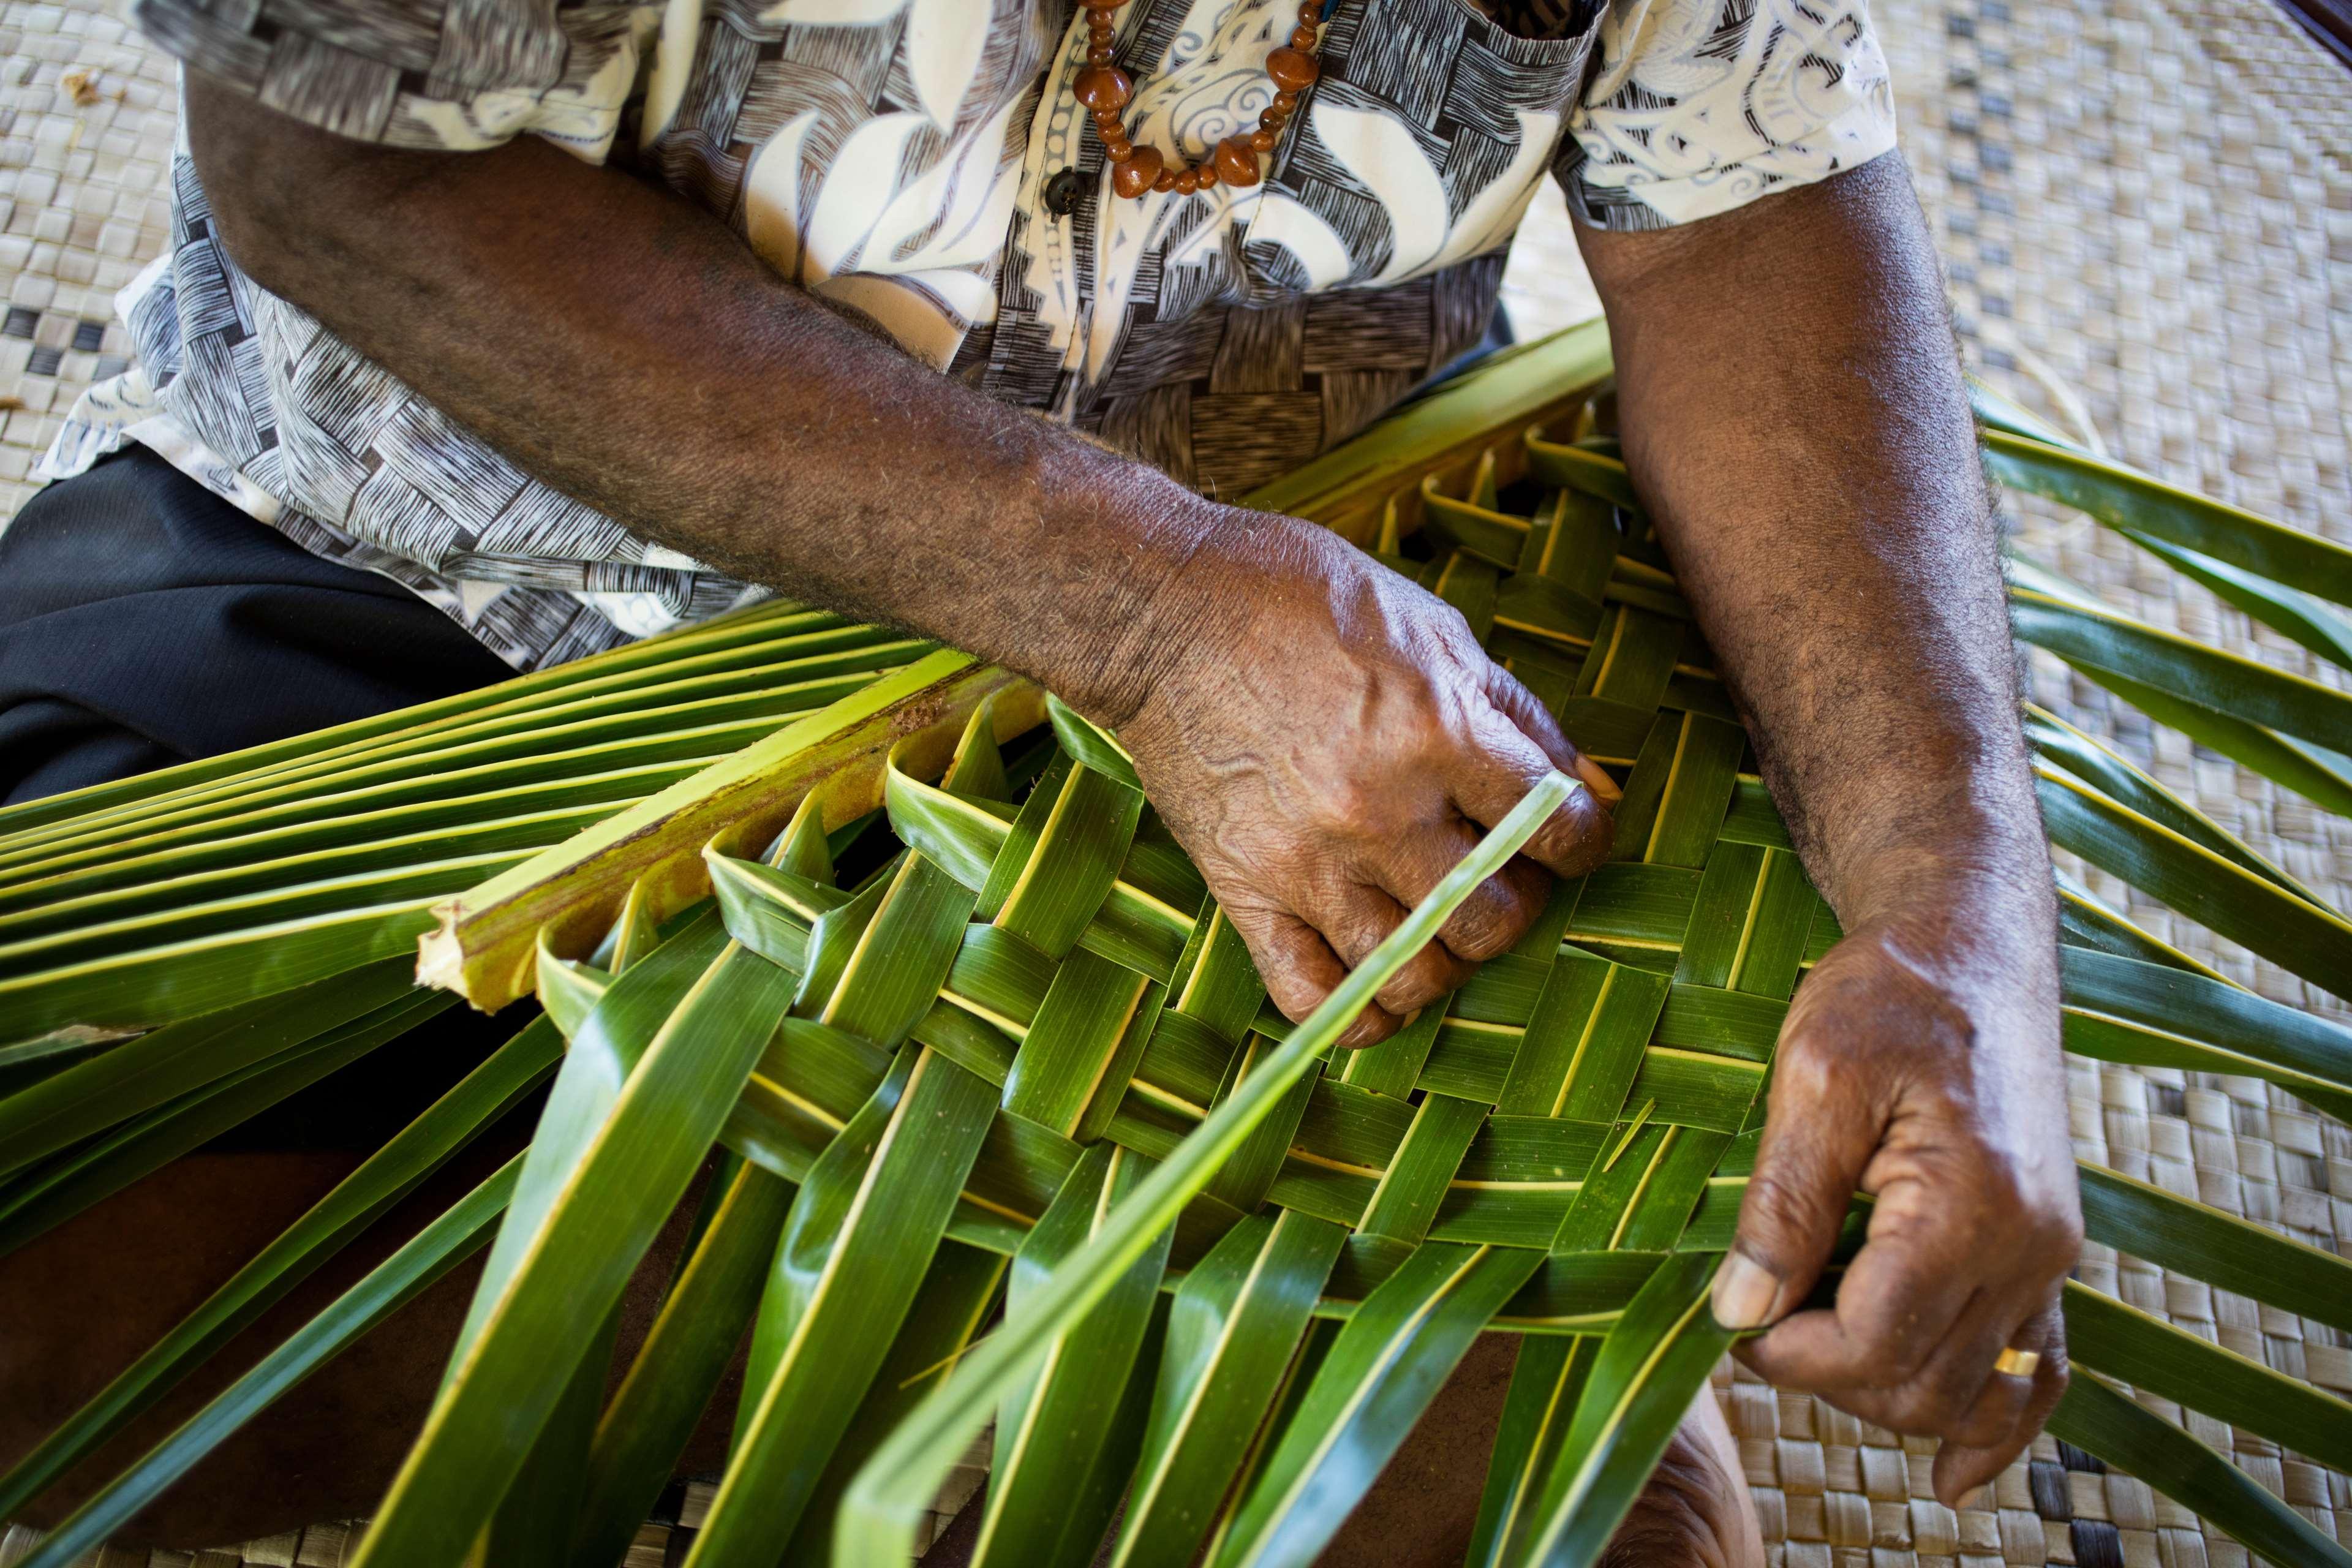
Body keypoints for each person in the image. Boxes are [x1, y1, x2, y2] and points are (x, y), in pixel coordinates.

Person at [0, 0, 2084, 1560]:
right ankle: (918, 1312)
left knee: (1614, 1542)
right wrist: (1144, 609)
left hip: (1303, 665)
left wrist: (1956, 907)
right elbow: (343, 173)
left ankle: (941, 1286)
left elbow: (1746, 205)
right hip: (434, 560)